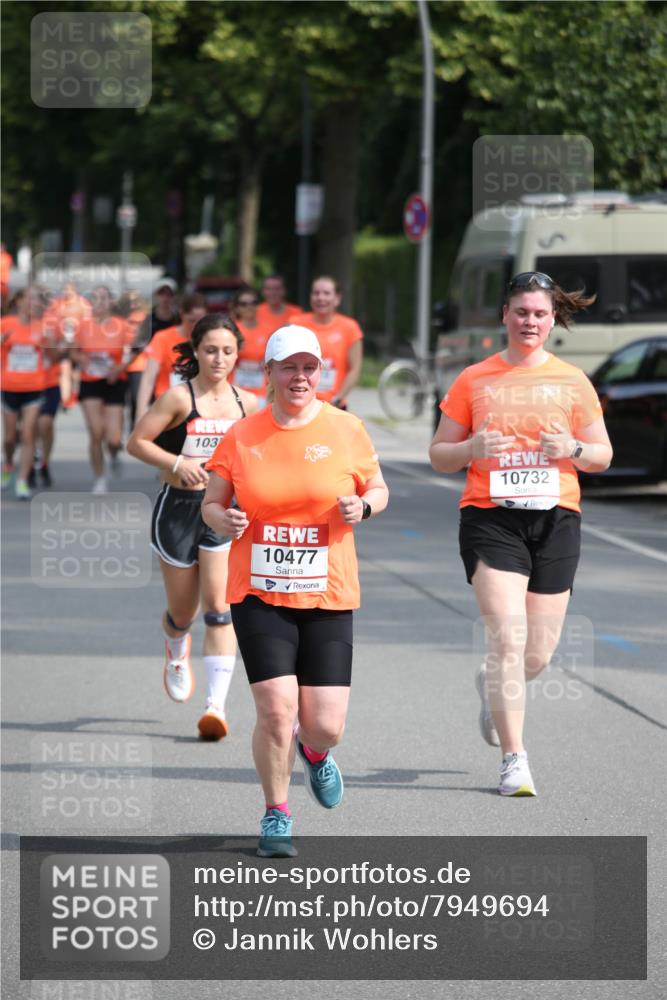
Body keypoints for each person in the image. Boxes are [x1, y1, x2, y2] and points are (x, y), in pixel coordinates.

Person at [202, 324, 389, 858]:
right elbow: (212, 503)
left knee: (324, 724)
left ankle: (315, 753)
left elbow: (377, 487)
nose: (300, 377)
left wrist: (365, 506)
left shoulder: (347, 429)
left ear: (319, 373)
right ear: (269, 374)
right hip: (258, 591)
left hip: (328, 592)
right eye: (289, 367)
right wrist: (224, 520)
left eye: (310, 367)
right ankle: (276, 813)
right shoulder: (243, 435)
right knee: (277, 710)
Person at [429, 271, 612, 797]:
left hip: (556, 518)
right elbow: (440, 454)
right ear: (505, 315)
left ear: (553, 319)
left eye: (540, 313)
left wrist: (571, 450)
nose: (530, 321)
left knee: (538, 654)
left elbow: (602, 455)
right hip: (491, 516)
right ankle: (515, 760)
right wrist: (470, 451)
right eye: (521, 312)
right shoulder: (474, 379)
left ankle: (493, 693)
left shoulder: (573, 381)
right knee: (507, 639)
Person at [127, 314, 259, 741]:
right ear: (196, 351)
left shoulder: (249, 404)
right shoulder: (179, 399)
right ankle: (176, 648)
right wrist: (177, 463)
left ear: (238, 353)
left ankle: (215, 708)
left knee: (220, 609)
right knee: (184, 613)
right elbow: (137, 442)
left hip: (224, 511)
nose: (218, 358)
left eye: (227, 351)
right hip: (178, 511)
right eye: (209, 350)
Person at [71, 285, 135, 493]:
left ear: (111, 302)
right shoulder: (83, 325)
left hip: (114, 380)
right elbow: (73, 352)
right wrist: (81, 358)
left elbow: (130, 353)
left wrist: (119, 369)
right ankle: (99, 478)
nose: (100, 303)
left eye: (104, 298)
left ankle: (114, 452)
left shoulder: (122, 326)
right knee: (96, 432)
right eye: (95, 299)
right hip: (90, 381)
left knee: (114, 437)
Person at [1, 287, 47, 498]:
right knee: (10, 437)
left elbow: (53, 357)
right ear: (18, 302)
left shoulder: (42, 327)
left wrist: (57, 345)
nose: (31, 303)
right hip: (9, 386)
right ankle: (9, 464)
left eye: (35, 300)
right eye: (28, 299)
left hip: (34, 387)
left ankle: (22, 481)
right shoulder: (5, 325)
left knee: (28, 434)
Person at [294, 275, 363, 409]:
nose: (321, 298)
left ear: (337, 298)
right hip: (300, 404)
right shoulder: (295, 324)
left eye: (326, 293)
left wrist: (338, 398)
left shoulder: (350, 328)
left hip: (334, 405)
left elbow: (355, 369)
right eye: (316, 293)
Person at [134, 294, 207, 421]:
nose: (196, 325)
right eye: (191, 320)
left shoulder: (209, 340)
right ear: (182, 314)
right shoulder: (163, 338)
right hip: (167, 406)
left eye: (201, 320)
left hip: (199, 407)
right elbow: (149, 377)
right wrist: (141, 412)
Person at [230, 288, 274, 405]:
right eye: (244, 304)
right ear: (237, 308)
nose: (249, 307)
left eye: (253, 303)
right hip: (235, 392)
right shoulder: (230, 330)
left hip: (261, 394)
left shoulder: (268, 331)